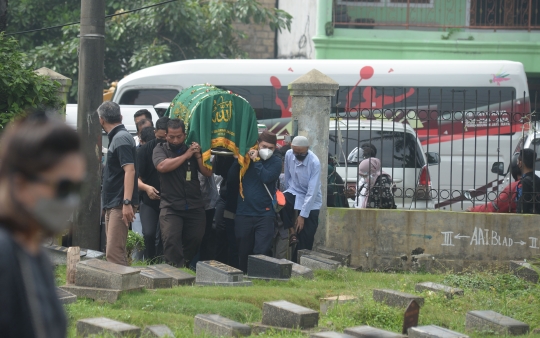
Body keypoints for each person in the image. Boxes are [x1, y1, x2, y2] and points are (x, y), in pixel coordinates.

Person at [0, 111, 85, 338]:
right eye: (63, 187)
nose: (71, 201)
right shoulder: (4, 253)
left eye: (77, 189)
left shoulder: (35, 253)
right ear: (21, 186)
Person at [153, 118, 212, 267]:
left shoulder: (191, 149)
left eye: (179, 136)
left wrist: (197, 155)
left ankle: (183, 265)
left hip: (194, 205)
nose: (175, 140)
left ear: (185, 135)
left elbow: (207, 173)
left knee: (195, 238)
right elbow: (162, 166)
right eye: (171, 136)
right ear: (166, 135)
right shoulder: (160, 149)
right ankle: (175, 270)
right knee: (171, 239)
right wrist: (186, 156)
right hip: (171, 206)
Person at [231, 130, 282, 273]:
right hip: (244, 213)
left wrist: (257, 161)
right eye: (264, 146)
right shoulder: (247, 160)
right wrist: (238, 160)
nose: (267, 150)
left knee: (262, 250)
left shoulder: (276, 162)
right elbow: (231, 178)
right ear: (258, 144)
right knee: (243, 250)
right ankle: (243, 276)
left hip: (265, 214)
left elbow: (267, 177)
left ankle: (260, 277)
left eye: (271, 148)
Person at [99, 101, 139, 266]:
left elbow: (130, 171)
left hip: (120, 201)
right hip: (114, 202)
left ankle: (125, 289)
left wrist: (127, 202)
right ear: (120, 117)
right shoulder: (117, 136)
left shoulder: (121, 137)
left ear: (101, 120)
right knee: (114, 251)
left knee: (114, 254)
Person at [280, 136, 323, 262]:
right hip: (295, 192)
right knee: (282, 200)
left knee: (306, 237)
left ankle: (298, 265)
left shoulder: (314, 162)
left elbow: (312, 191)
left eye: (301, 153)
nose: (298, 155)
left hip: (311, 200)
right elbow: (287, 176)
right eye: (296, 152)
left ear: (308, 149)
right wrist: (288, 191)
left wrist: (302, 216)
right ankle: (291, 231)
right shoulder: (288, 154)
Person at [137, 117, 169, 261]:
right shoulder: (145, 150)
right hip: (149, 199)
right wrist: (147, 188)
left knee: (165, 235)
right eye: (159, 138)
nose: (163, 142)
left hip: (169, 200)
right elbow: (135, 178)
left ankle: (163, 263)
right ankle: (150, 262)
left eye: (165, 139)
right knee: (149, 233)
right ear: (155, 132)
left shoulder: (176, 150)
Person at [516, 148, 540, 214]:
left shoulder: (524, 182)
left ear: (520, 163)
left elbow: (522, 207)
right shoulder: (538, 179)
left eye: (518, 161)